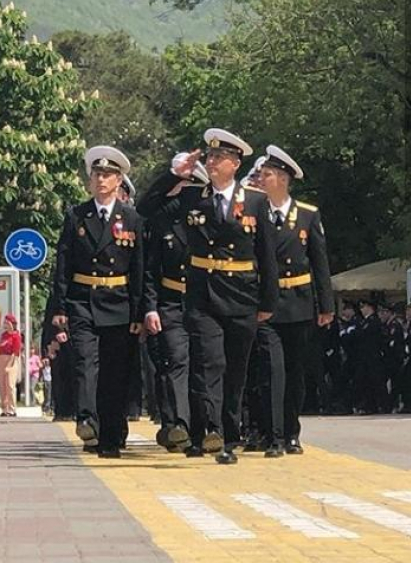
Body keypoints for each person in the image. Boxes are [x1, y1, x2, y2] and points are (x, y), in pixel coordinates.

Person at [137, 129, 278, 464]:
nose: (212, 163)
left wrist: (268, 303)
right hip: (203, 296)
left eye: (220, 158)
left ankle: (229, 433)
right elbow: (145, 207)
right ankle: (213, 431)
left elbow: (267, 256)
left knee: (235, 371)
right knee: (208, 363)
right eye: (210, 157)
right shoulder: (192, 198)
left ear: (235, 163)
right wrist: (174, 175)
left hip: (242, 295)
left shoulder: (256, 201)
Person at [49, 145, 144, 458]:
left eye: (108, 175)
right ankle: (87, 418)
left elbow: (140, 268)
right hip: (83, 301)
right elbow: (63, 264)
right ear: (89, 180)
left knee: (115, 372)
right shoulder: (77, 215)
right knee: (86, 363)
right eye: (96, 174)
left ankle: (112, 435)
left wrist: (139, 310)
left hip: (118, 302)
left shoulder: (131, 218)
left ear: (119, 181)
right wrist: (60, 307)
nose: (101, 180)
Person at [257, 145, 334, 455]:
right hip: (267, 305)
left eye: (267, 175)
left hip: (300, 302)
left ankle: (291, 432)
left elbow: (320, 262)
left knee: (295, 371)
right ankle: (274, 436)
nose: (261, 179)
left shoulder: (307, 214)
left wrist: (326, 305)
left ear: (283, 179)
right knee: (273, 370)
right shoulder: (255, 213)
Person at [142, 161, 209, 452]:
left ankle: (205, 427)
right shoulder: (162, 221)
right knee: (177, 360)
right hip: (171, 301)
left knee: (205, 364)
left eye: (190, 186)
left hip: (205, 302)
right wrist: (151, 306)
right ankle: (178, 423)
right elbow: (150, 269)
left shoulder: (210, 219)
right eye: (179, 186)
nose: (183, 193)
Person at [0, 314, 22, 417]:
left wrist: (9, 365)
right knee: (2, 385)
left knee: (10, 385)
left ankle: (12, 409)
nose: (5, 325)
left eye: (7, 323)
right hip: (1, 358)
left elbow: (15, 352)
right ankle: (4, 408)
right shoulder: (4, 335)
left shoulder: (16, 336)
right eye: (4, 323)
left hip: (12, 359)